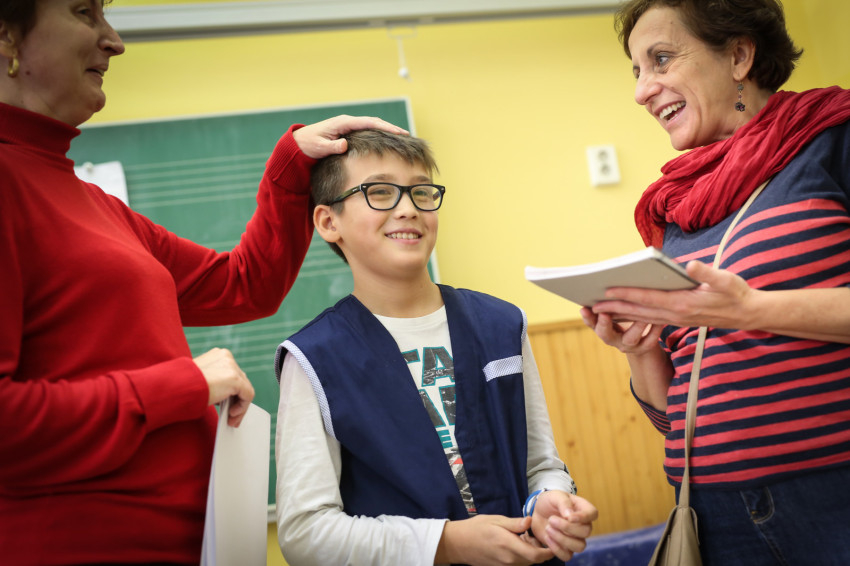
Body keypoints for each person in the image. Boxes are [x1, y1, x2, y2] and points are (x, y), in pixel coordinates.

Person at [0, 1, 407, 564]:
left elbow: (243, 285)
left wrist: (291, 164)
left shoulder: (94, 204)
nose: (114, 40)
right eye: (83, 12)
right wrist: (183, 384)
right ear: (6, 33)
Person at [580, 0, 850, 564]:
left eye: (661, 59)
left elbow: (746, 313)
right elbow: (672, 415)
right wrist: (641, 349)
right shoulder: (677, 208)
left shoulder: (831, 141)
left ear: (739, 56)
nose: (642, 90)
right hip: (710, 509)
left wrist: (751, 309)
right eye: (636, 71)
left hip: (830, 494)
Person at [273, 129, 597, 565]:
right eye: (380, 192)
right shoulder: (313, 358)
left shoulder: (501, 323)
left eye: (421, 192)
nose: (408, 208)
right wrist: (446, 542)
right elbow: (305, 533)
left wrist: (550, 501)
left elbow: (541, 465)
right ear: (329, 223)